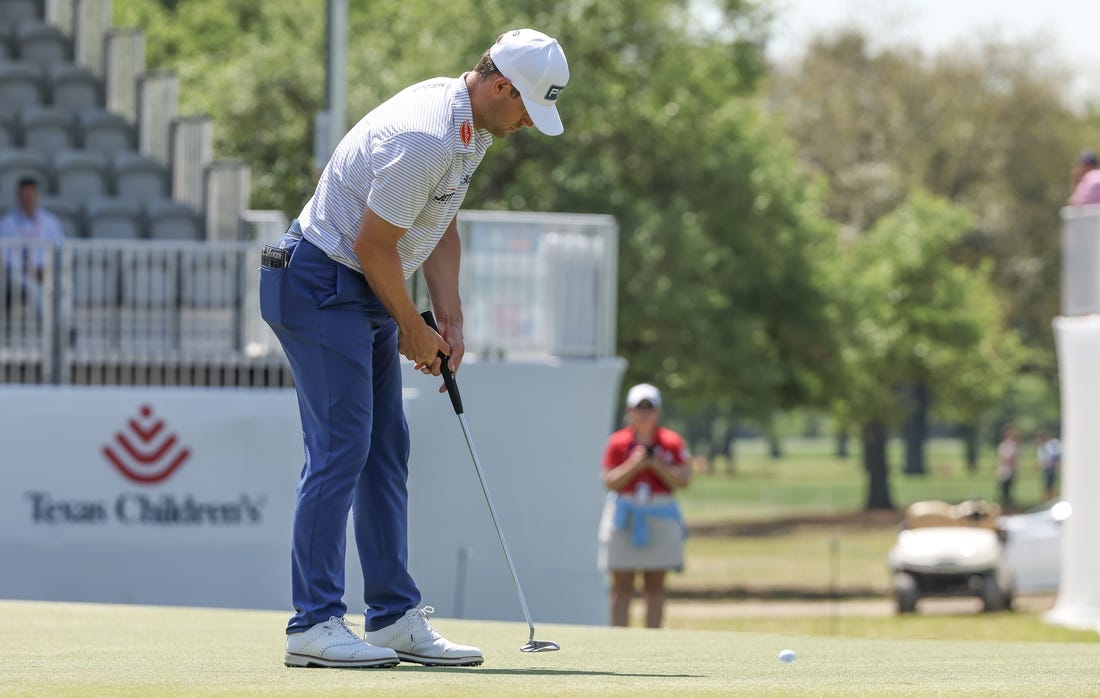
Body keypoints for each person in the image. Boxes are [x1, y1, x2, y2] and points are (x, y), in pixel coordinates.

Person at [260, 29, 569, 669]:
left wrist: (447, 318)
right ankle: (312, 624)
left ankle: (393, 616)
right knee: (341, 447)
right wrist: (411, 325)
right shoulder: (428, 135)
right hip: (319, 281)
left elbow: (439, 219)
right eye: (525, 109)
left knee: (385, 449)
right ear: (500, 85)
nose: (526, 125)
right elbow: (375, 246)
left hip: (358, 283)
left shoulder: (472, 129)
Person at [597, 383, 691, 628]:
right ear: (630, 410)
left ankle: (652, 638)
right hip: (624, 514)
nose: (644, 413)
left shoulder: (671, 442)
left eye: (650, 408)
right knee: (621, 585)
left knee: (655, 585)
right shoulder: (618, 442)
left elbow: (683, 480)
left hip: (660, 514)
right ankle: (618, 638)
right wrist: (635, 464)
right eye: (640, 408)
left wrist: (658, 465)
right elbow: (609, 481)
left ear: (658, 411)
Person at [0, 177, 64, 322]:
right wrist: (29, 270)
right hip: (17, 274)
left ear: (37, 196)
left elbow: (60, 249)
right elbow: (5, 255)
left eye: (31, 195)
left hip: (46, 271)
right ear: (19, 197)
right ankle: (48, 325)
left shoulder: (50, 222)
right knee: (33, 287)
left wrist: (46, 269)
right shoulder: (7, 223)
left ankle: (65, 324)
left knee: (65, 285)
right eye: (25, 195)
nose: (28, 199)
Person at [995, 426, 1020, 510]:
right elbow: (1005, 458)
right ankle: (1004, 505)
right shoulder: (1006, 445)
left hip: (1010, 470)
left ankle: (1007, 504)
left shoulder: (1013, 445)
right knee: (1004, 488)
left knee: (1009, 487)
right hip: (1006, 470)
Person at [1036, 430, 1062, 502]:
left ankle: (1052, 499)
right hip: (1046, 468)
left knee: (1052, 484)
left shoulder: (1053, 443)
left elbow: (1056, 455)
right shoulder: (1041, 447)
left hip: (1052, 467)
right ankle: (1048, 499)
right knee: (1047, 485)